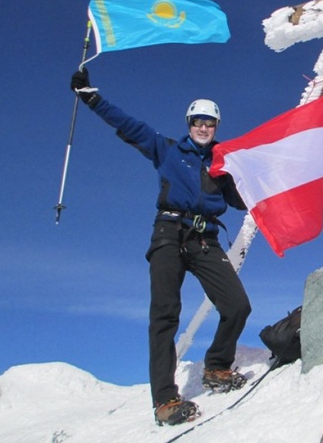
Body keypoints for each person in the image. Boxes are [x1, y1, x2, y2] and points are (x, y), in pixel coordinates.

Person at [71, 67, 251, 426]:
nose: (204, 128)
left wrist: (263, 184)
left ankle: (216, 367)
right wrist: (91, 99)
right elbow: (128, 125)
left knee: (237, 306)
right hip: (169, 234)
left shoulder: (222, 163)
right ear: (189, 124)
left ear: (216, 126)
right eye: (198, 121)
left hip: (205, 239)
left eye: (210, 123)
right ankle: (165, 399)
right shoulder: (167, 149)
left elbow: (240, 200)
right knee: (165, 315)